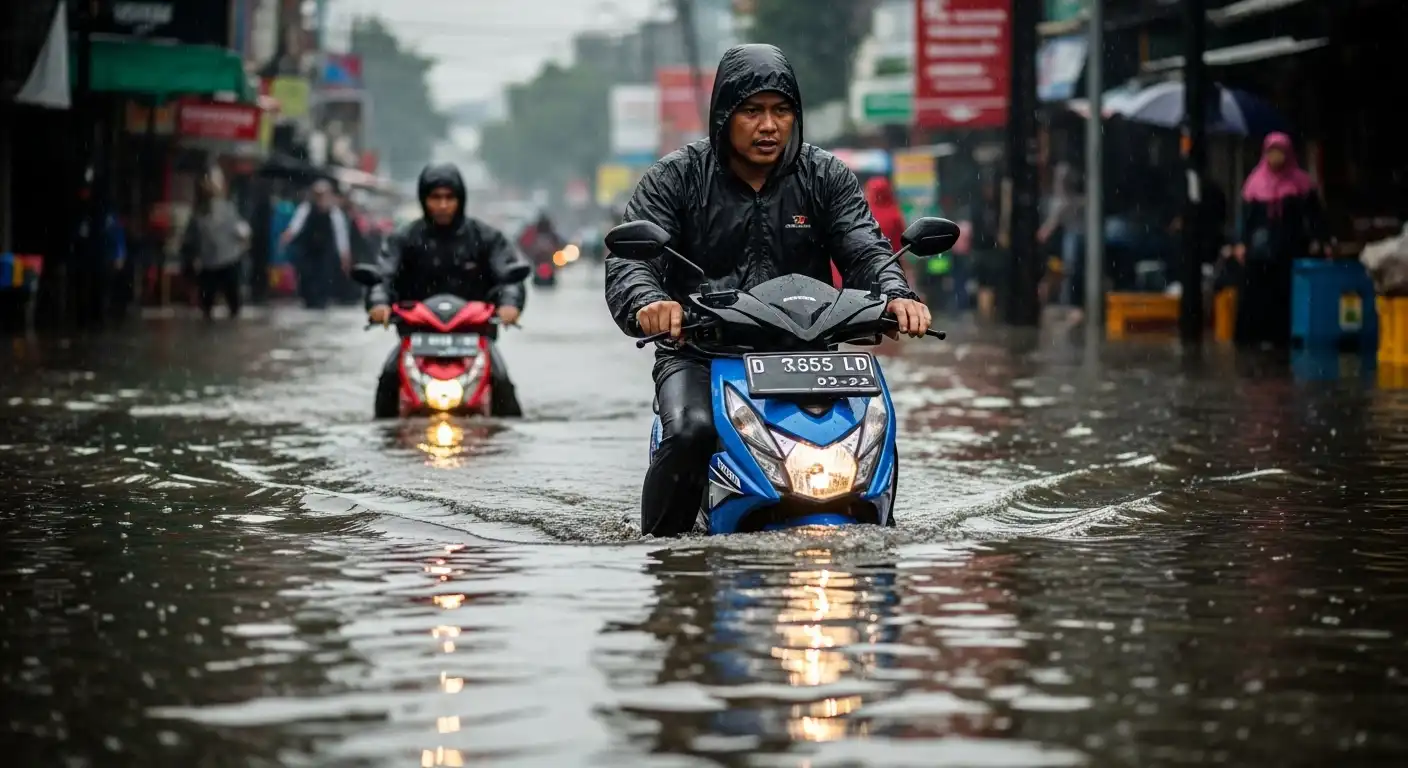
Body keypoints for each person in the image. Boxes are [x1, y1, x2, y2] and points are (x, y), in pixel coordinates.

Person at [604, 43, 932, 538]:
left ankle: (880, 532)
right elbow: (632, 261)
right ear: (723, 116)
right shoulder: (677, 177)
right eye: (752, 111)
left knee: (875, 431)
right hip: (702, 352)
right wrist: (650, 303)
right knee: (691, 431)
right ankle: (666, 563)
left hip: (810, 353)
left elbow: (865, 249)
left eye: (781, 111)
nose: (768, 126)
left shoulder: (826, 176)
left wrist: (896, 294)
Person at [366, 163, 530, 417]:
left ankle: (505, 438)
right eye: (435, 198)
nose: (443, 205)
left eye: (449, 198)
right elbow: (383, 275)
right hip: (418, 336)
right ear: (424, 199)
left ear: (460, 199)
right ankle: (383, 436)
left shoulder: (485, 237)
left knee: (501, 381)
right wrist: (379, 302)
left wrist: (510, 304)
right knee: (389, 376)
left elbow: (509, 275)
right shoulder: (404, 238)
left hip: (474, 337)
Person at [1231, 132, 1330, 346]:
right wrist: (1240, 243)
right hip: (1259, 255)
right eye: (1271, 152)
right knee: (1256, 296)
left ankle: (1282, 339)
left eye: (1280, 152)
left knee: (1285, 295)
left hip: (1290, 249)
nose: (1275, 158)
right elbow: (1245, 218)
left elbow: (1314, 217)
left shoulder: (1301, 183)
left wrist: (1319, 240)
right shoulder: (1254, 183)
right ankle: (1254, 340)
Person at [180, 172, 250, 320]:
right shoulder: (200, 213)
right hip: (213, 262)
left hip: (225, 261)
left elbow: (241, 230)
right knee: (212, 304)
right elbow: (190, 239)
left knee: (228, 304)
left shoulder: (225, 208)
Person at [280, 179, 351, 309]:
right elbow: (295, 225)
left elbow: (341, 235)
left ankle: (320, 303)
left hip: (325, 253)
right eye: (318, 194)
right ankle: (309, 301)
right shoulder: (306, 208)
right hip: (308, 251)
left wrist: (344, 255)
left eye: (323, 194)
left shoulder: (335, 212)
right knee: (306, 278)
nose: (320, 198)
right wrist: (286, 237)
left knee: (324, 279)